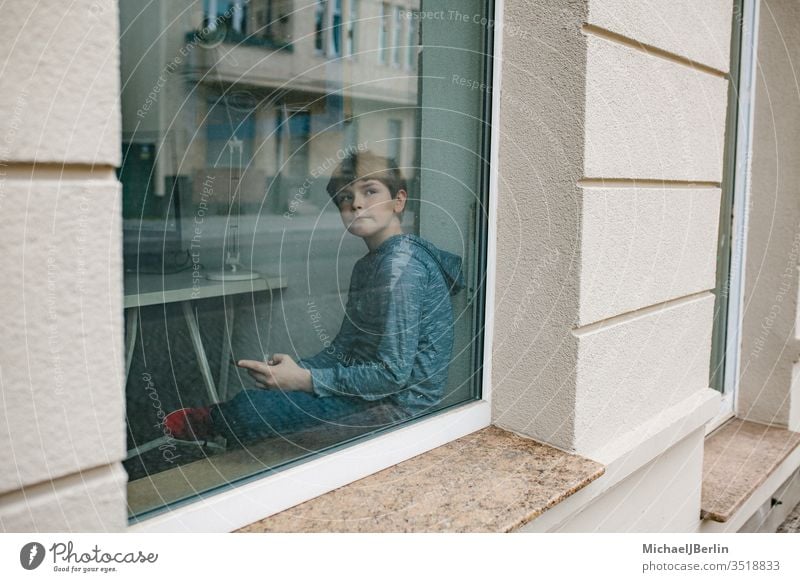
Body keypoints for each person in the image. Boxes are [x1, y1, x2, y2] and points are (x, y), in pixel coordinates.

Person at [164, 151, 464, 446]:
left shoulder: (401, 268)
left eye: (370, 191)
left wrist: (304, 380)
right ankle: (219, 424)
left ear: (398, 200)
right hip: (367, 393)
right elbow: (346, 347)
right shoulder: (371, 264)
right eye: (345, 197)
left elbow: (391, 375)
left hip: (397, 409)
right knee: (259, 399)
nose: (356, 203)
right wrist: (296, 369)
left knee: (250, 412)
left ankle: (216, 428)